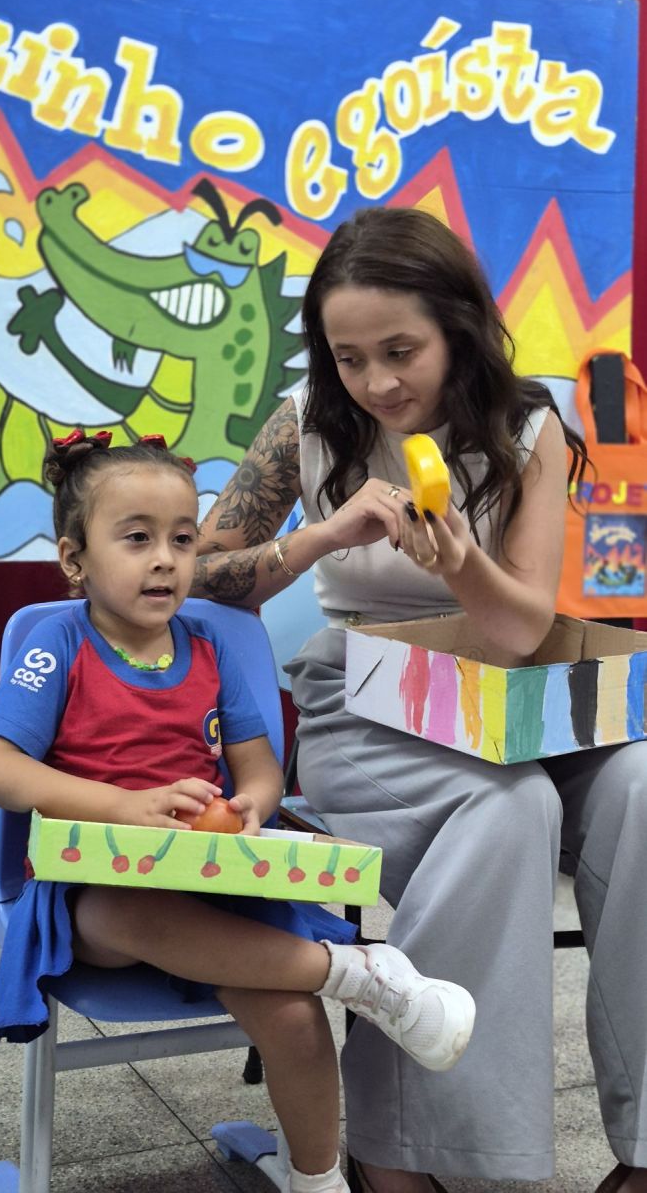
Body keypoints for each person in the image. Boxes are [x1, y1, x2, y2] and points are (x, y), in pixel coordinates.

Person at [192, 206, 647, 1193]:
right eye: (350, 358)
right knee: (509, 805)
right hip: (367, 695)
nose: (378, 383)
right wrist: (323, 535)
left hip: (507, 689)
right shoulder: (310, 423)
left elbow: (522, 628)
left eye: (401, 352)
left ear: (459, 330)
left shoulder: (529, 428)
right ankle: (407, 1150)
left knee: (642, 787)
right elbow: (197, 576)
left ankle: (646, 1149)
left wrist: (461, 563)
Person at [0, 431, 476, 1193]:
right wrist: (123, 806)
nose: (166, 560)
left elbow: (258, 770)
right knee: (121, 912)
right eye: (137, 539)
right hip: (97, 896)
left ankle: (317, 1181)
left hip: (213, 885)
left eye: (182, 539)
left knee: (295, 1018)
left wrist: (250, 805)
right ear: (75, 559)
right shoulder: (59, 642)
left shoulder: (208, 646)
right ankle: (358, 974)